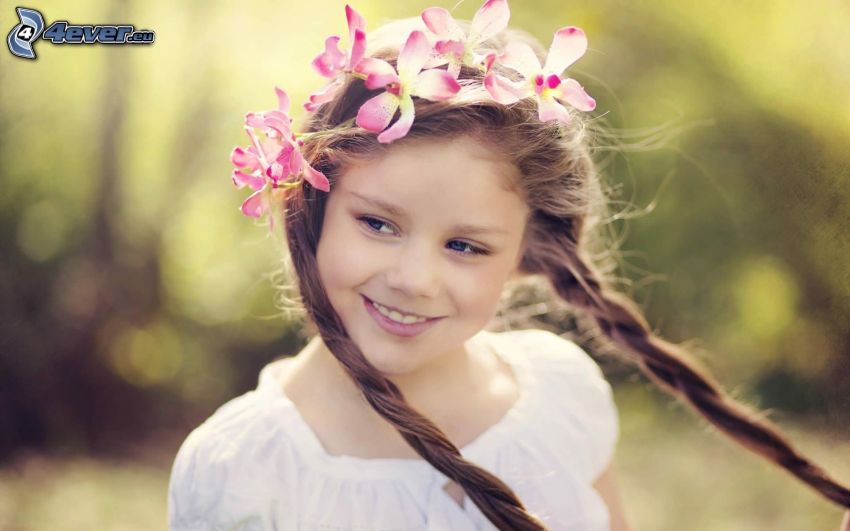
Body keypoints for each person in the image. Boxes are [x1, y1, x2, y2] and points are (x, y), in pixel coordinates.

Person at [167, 1, 850, 529]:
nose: (413, 277)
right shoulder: (243, 469)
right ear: (312, 205)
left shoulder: (560, 396)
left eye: (465, 245)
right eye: (377, 223)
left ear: (525, 252)